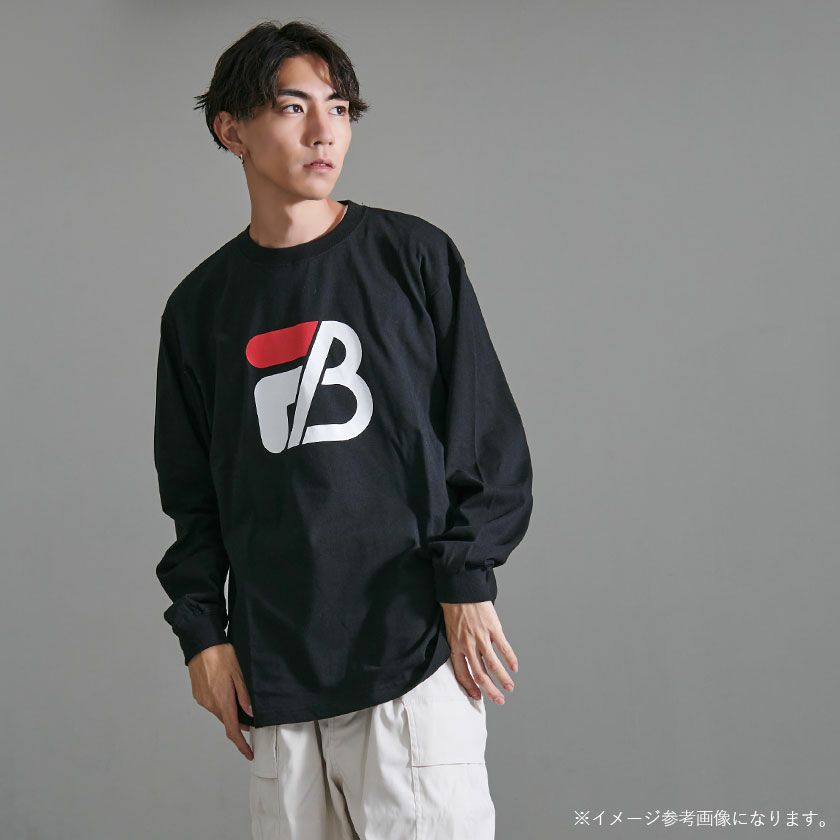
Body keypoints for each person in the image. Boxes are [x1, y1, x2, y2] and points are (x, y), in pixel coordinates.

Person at [153, 18, 534, 840]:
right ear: (231, 130)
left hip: (411, 662)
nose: (324, 131)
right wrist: (202, 635)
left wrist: (466, 581)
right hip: (276, 679)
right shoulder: (199, 309)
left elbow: (487, 443)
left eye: (339, 108)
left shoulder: (413, 258)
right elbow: (194, 496)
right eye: (293, 107)